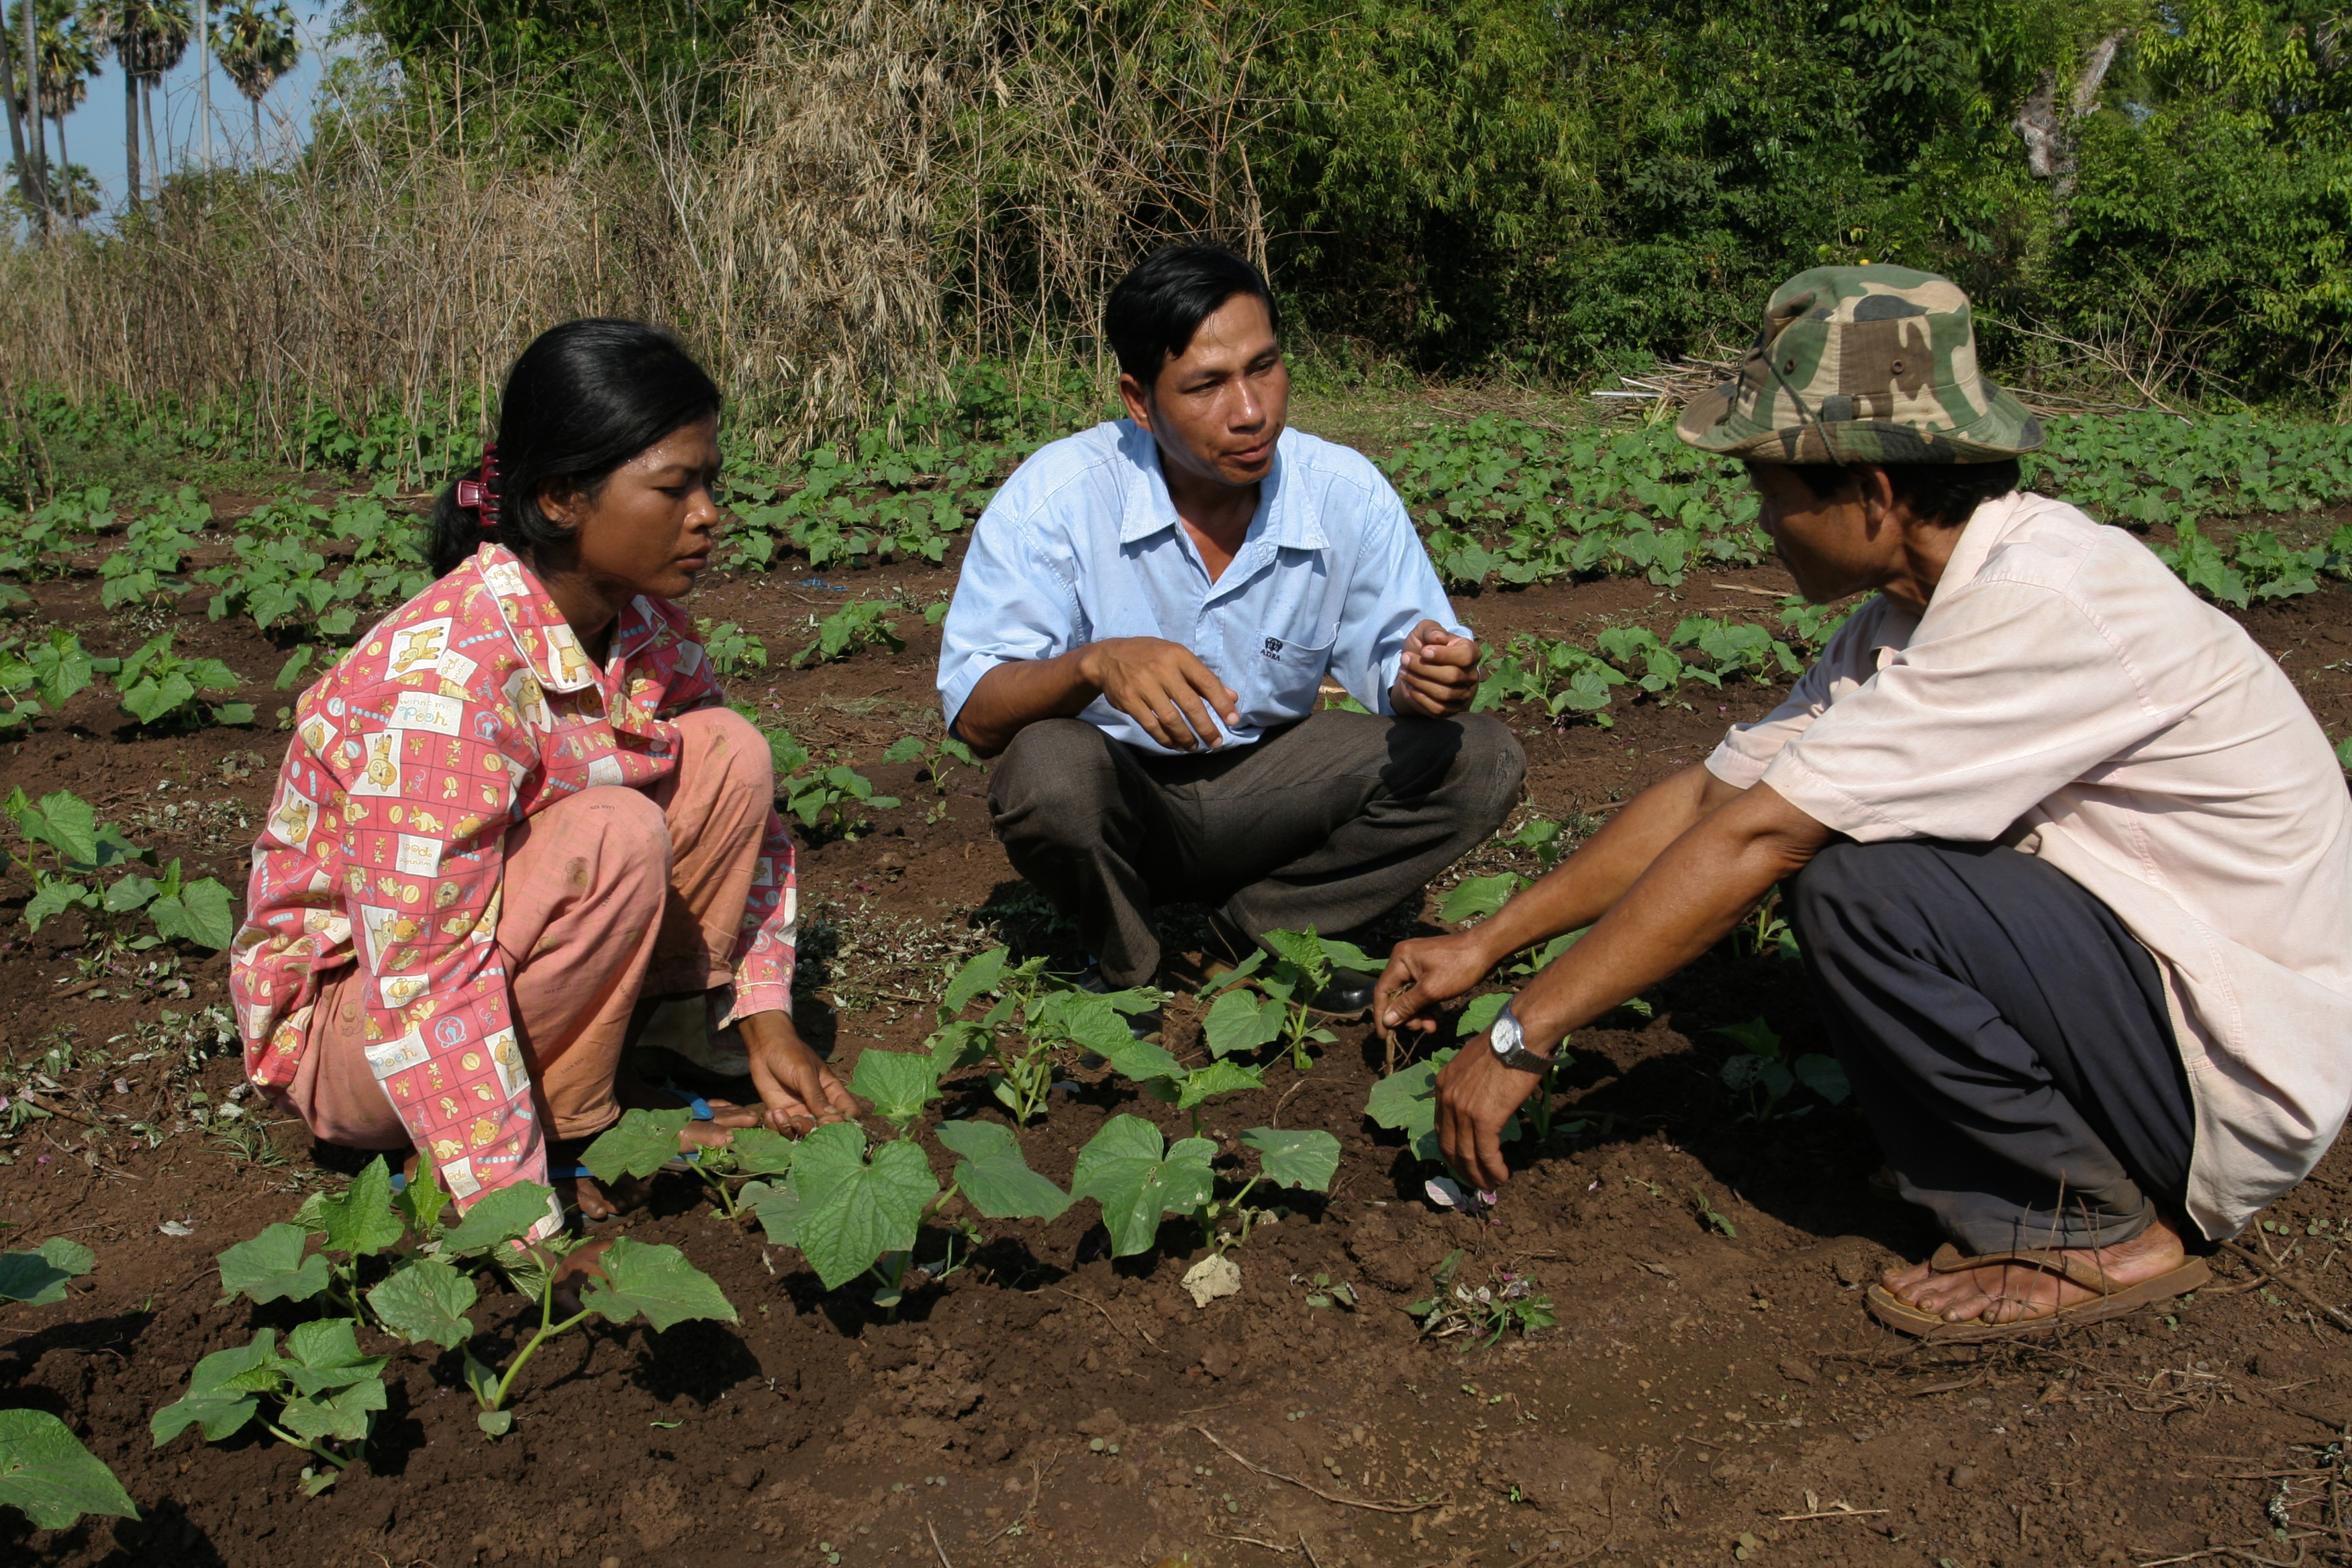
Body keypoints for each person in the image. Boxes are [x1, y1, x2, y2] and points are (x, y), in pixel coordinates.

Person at [1375, 264, 2352, 1340]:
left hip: (2232, 1072)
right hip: (2151, 994)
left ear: (1875, 496)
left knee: (1855, 882)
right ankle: (2038, 1152)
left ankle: (2088, 1228)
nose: (1760, 520)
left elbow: (1760, 837)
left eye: (1773, 489)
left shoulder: (2040, 602)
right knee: (1848, 863)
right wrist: (1485, 944)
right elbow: (1715, 792)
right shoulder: (1908, 610)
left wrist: (1524, 1034)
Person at [232, 320, 858, 1271]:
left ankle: (659, 1053)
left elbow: (752, 829)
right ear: (563, 497)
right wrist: (522, 1219)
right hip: (356, 1034)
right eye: (674, 487)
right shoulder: (445, 683)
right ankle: (557, 1139)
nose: (708, 515)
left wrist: (767, 1015)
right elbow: (421, 977)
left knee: (726, 752)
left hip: (490, 965)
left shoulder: (647, 630)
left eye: (711, 482)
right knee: (610, 832)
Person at [938, 245, 1526, 1018]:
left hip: (1272, 794)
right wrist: (1094, 664)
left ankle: (1256, 931)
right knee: (1047, 769)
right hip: (1124, 799)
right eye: (1207, 385)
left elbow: (1402, 655)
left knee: (1479, 758)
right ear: (1139, 400)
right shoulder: (1059, 499)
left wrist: (1427, 678)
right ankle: (1127, 964)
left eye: (1264, 366)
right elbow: (977, 716)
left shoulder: (1342, 494)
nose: (1251, 410)